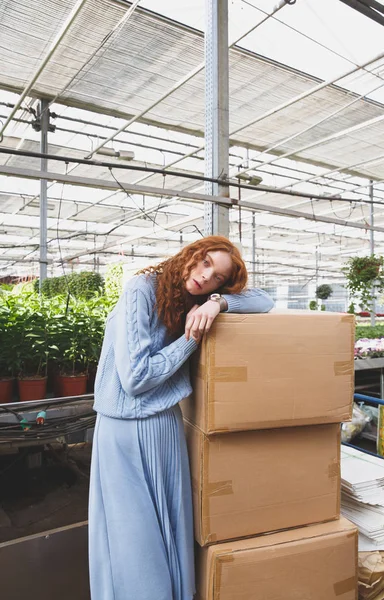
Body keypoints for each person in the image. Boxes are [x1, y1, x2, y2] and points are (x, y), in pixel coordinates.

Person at [89, 235, 274, 600]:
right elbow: (136, 378)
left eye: (218, 277)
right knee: (133, 539)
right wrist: (193, 337)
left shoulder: (200, 298)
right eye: (205, 263)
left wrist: (217, 305)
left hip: (164, 425)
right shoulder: (143, 288)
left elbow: (264, 300)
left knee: (171, 530)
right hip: (123, 429)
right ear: (191, 255)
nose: (207, 277)